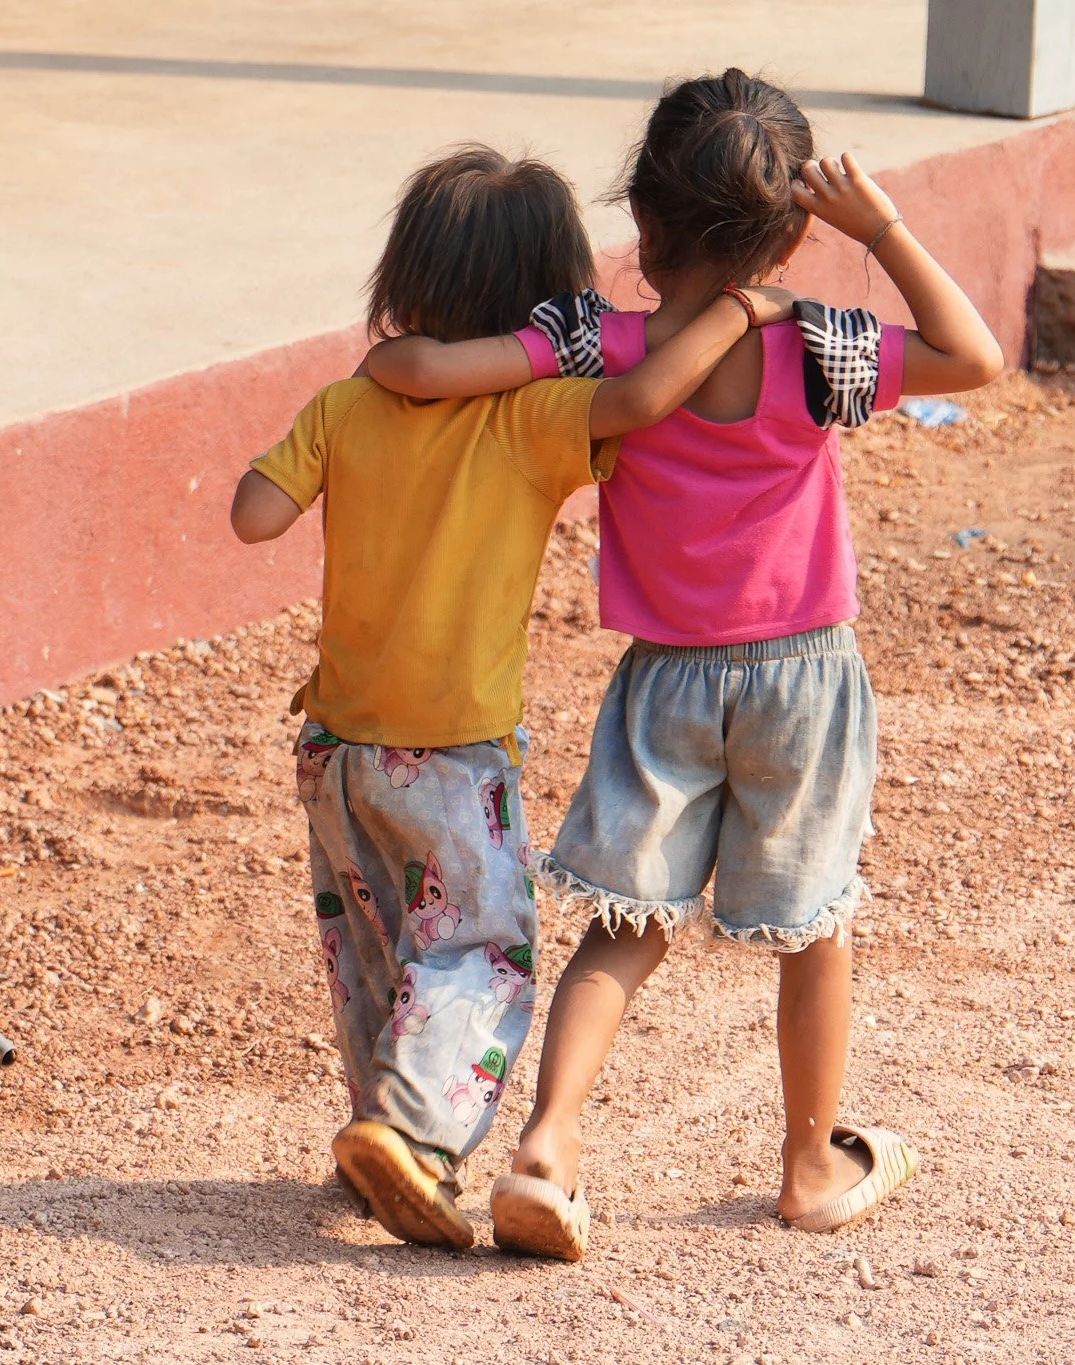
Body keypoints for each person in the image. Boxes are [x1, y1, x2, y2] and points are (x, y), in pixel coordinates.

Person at [361, 71, 1003, 1260]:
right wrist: (881, 232)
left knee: (624, 925)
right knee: (811, 929)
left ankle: (546, 1148)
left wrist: (383, 373)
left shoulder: (593, 346)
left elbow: (425, 371)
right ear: (794, 236)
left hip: (664, 681)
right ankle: (809, 1165)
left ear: (642, 221)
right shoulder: (817, 349)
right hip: (804, 680)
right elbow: (974, 356)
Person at [229, 143, 796, 1251]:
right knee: (478, 946)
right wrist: (741, 310)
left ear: (404, 277)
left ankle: (380, 1127)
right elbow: (642, 397)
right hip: (451, 750)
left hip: (335, 744)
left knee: (375, 945)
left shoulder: (346, 405)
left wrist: (304, 457)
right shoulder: (535, 417)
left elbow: (254, 516)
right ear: (548, 305)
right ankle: (412, 1135)